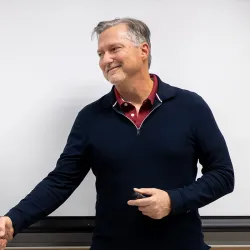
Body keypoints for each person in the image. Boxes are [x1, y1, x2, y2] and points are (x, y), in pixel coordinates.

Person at [0, 17, 234, 250]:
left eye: (114, 49)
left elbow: (223, 175)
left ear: (143, 50)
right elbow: (61, 181)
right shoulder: (90, 117)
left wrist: (173, 201)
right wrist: (13, 221)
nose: (105, 60)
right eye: (100, 54)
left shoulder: (190, 106)